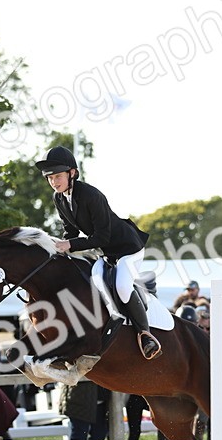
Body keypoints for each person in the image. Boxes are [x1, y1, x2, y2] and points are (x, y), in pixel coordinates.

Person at [36, 145, 162, 360]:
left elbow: (101, 237)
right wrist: (60, 246)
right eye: (49, 178)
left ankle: (146, 334)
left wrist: (70, 245)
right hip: (106, 253)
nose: (54, 182)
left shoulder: (92, 195)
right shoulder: (59, 198)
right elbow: (71, 231)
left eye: (57, 176)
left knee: (122, 285)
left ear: (72, 173)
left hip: (128, 249)